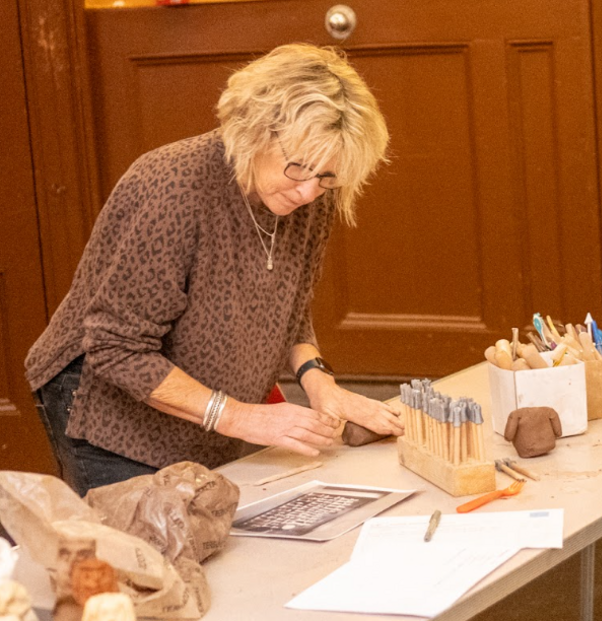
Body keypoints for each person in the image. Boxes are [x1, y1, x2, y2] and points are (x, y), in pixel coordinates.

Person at [25, 44, 404, 497]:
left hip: (208, 409)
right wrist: (242, 417)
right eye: (299, 167)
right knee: (142, 557)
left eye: (327, 178)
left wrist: (320, 383)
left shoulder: (308, 197)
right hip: (108, 414)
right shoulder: (174, 188)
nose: (307, 191)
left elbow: (290, 308)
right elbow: (117, 348)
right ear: (254, 132)